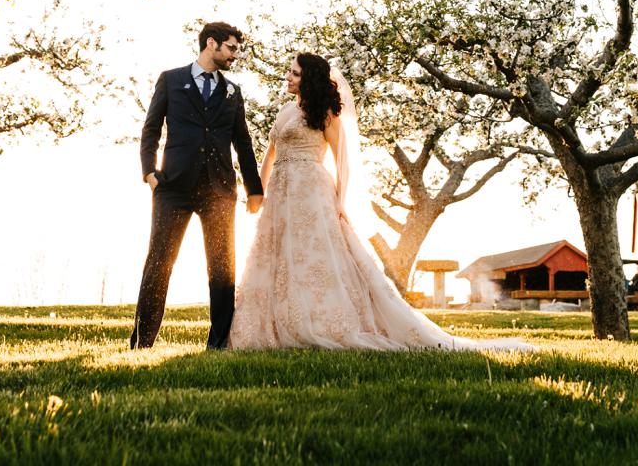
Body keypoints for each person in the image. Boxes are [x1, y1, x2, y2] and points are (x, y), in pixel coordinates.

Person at [229, 52, 534, 353]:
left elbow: (341, 161)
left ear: (308, 79)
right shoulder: (284, 110)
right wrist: (258, 191)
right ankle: (275, 324)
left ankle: (319, 321)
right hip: (280, 194)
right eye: (290, 72)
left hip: (311, 192)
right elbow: (270, 153)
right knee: (277, 254)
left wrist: (338, 202)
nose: (288, 77)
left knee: (313, 259)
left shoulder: (325, 113)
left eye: (294, 73)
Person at [130, 21, 264, 349]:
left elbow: (243, 142)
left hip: (219, 190)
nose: (235, 55)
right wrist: (150, 172)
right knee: (159, 261)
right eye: (231, 48)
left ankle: (219, 343)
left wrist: (254, 189)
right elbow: (150, 129)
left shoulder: (233, 92)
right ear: (211, 44)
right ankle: (141, 342)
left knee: (222, 267)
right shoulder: (171, 80)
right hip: (173, 188)